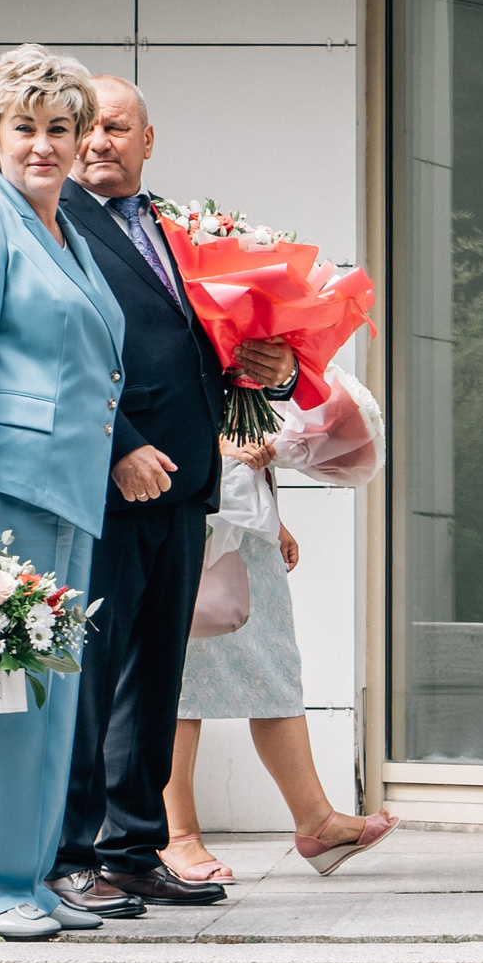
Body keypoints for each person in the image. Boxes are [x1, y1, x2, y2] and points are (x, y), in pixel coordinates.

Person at [52, 77, 296, 916]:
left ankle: (133, 847)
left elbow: (224, 340)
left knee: (156, 678)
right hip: (107, 482)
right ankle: (70, 853)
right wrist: (118, 448)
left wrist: (277, 367)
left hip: (190, 485)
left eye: (114, 127)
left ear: (147, 140)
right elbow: (62, 354)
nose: (95, 142)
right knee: (91, 673)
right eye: (83, 127)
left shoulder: (182, 228)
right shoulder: (54, 223)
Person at [0, 46, 128, 940]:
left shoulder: (67, 232)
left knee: (53, 696)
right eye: (25, 128)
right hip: (5, 486)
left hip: (71, 490)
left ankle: (31, 875)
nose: (42, 145)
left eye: (59, 128)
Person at [160, 370, 401, 880]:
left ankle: (317, 822)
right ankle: (175, 836)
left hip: (242, 525)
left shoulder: (237, 336)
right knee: (174, 686)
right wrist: (213, 445)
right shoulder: (174, 310)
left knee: (274, 673)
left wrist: (273, 516)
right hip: (186, 517)